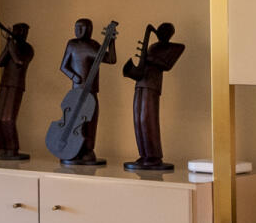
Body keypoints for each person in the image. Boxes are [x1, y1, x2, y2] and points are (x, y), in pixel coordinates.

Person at [44, 18, 117, 166]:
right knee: (72, 120)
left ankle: (87, 150)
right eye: (77, 27)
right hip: (75, 91)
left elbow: (111, 59)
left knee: (90, 123)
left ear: (90, 30)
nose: (79, 31)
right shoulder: (72, 44)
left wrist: (111, 42)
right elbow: (64, 66)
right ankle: (72, 149)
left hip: (91, 91)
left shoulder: (94, 45)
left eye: (83, 28)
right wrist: (74, 76)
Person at [121, 22, 184, 172]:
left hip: (153, 84)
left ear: (170, 34)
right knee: (137, 118)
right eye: (160, 30)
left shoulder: (175, 47)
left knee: (148, 118)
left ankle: (154, 156)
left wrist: (150, 59)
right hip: (141, 82)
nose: (160, 32)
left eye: (164, 30)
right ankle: (144, 154)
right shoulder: (154, 46)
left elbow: (167, 65)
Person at [0, 14, 35, 160]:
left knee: (7, 118)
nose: (20, 34)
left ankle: (12, 148)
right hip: (5, 83)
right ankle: (2, 148)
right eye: (17, 30)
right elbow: (0, 62)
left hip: (17, 85)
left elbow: (19, 61)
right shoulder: (12, 46)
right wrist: (8, 46)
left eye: (22, 31)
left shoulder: (27, 48)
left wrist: (11, 46)